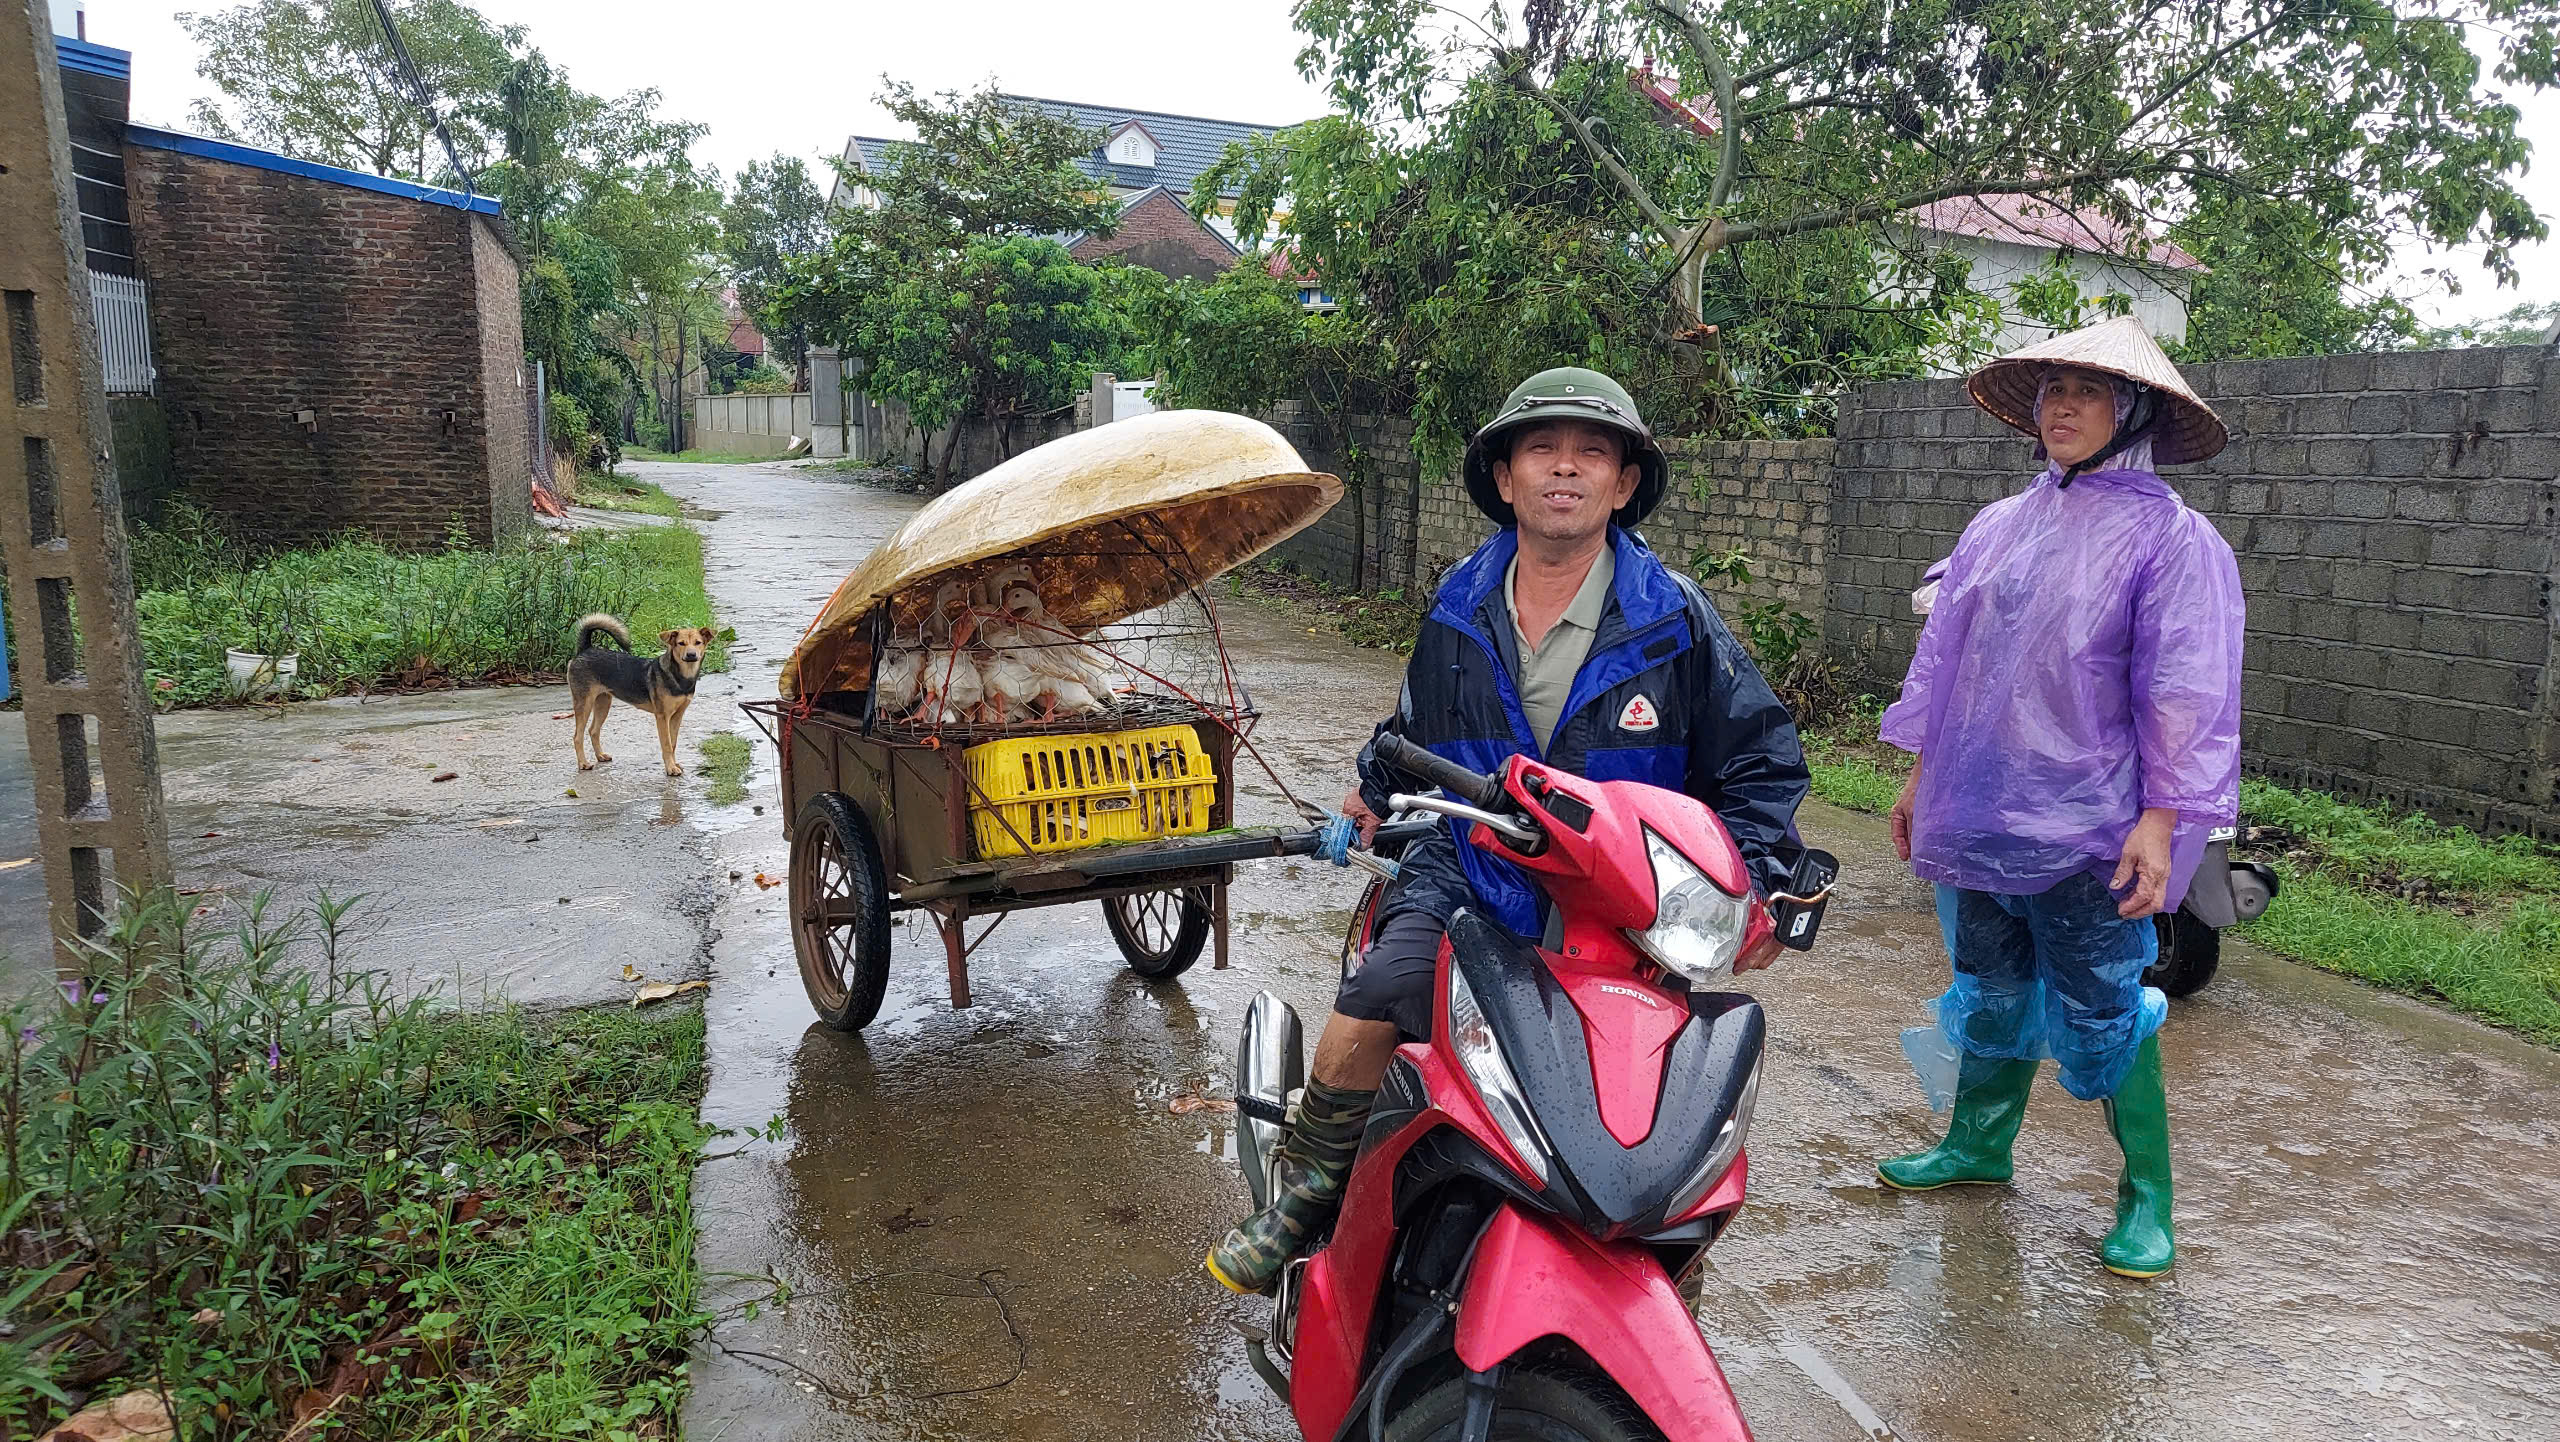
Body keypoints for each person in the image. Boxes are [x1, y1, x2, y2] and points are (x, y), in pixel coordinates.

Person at [1205, 367, 1811, 1295]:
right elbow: (1414, 726)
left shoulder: (1674, 618)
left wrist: (1758, 877)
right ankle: (1309, 1197)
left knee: (1661, 1089)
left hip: (1624, 899)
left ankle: (1650, 1250)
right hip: (1470, 867)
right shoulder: (1459, 599)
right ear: (1504, 477)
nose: (1564, 470)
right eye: (1542, 450)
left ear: (1623, 483)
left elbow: (1761, 762)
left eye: (1591, 453)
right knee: (1372, 997)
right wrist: (1372, 793)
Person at [1874, 316, 2244, 1279]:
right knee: (1990, 984)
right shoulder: (1997, 526)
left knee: (2102, 1000)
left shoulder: (2173, 539)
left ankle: (2145, 1199)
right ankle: (1979, 1144)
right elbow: (1946, 667)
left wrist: (2163, 821)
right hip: (1979, 810)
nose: (2061, 407)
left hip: (2092, 823)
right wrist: (1921, 780)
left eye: (2086, 391)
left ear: (2135, 413)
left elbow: (2185, 691)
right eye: (2050, 391)